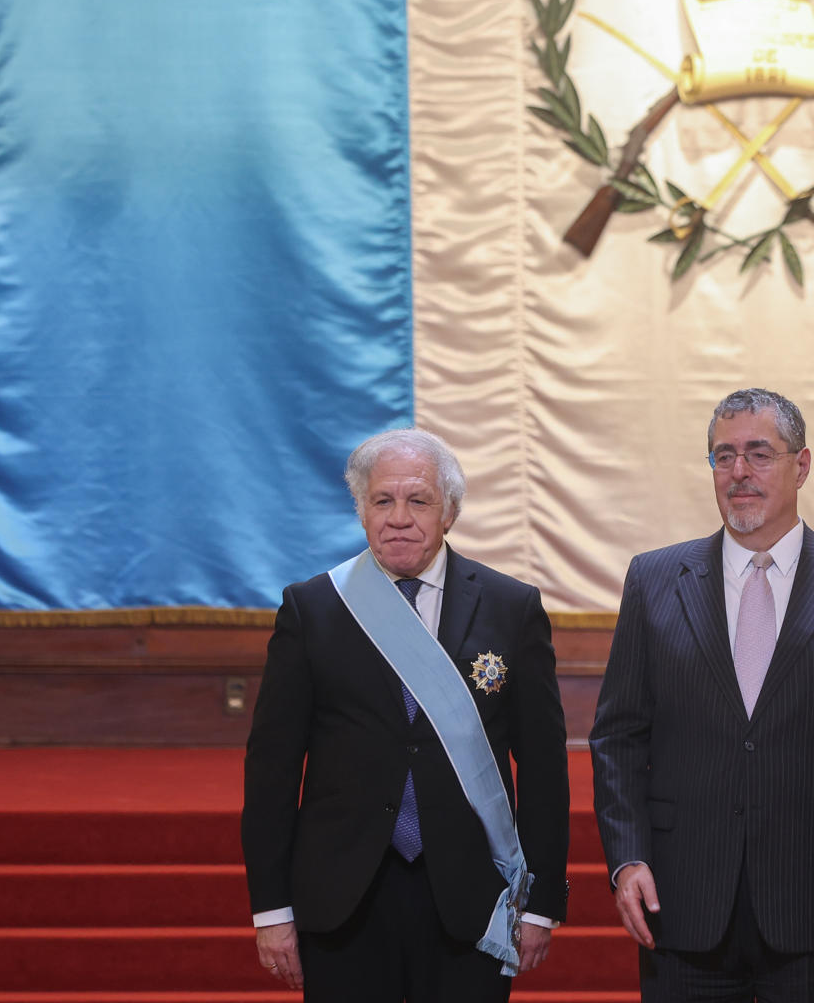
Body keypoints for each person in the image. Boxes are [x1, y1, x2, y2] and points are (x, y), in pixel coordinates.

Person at [589, 387, 814, 1003]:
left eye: (758, 453)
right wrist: (626, 858)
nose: (739, 471)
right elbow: (615, 737)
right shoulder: (655, 578)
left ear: (801, 466)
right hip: (682, 901)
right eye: (723, 456)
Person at [241, 428, 570, 1002]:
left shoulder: (511, 607)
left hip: (472, 895)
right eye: (381, 500)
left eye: (418, 501)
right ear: (361, 509)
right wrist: (271, 908)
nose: (398, 517)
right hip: (342, 895)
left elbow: (543, 769)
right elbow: (271, 770)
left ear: (450, 511)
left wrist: (541, 905)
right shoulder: (312, 608)